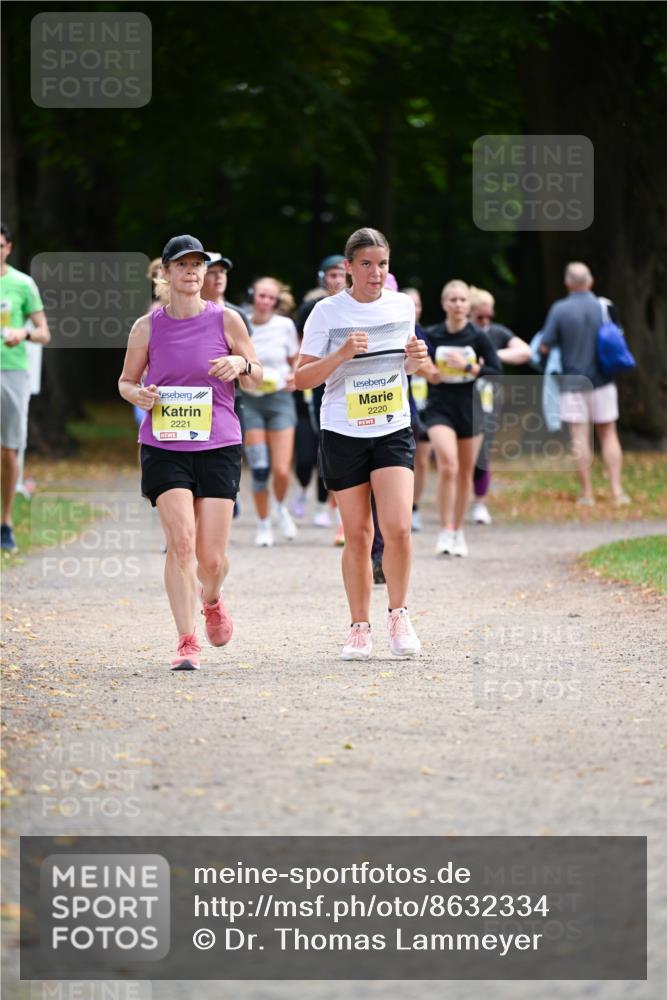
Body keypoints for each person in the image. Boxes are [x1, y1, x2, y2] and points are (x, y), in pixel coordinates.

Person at [118, 234, 262, 670]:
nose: (192, 271)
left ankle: (212, 599)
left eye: (198, 264)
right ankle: (186, 640)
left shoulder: (228, 320)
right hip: (165, 446)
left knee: (211, 559)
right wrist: (138, 395)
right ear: (165, 272)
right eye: (182, 264)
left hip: (218, 444)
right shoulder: (147, 327)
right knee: (180, 543)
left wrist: (241, 364)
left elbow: (258, 377)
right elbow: (126, 382)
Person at [296, 227, 428, 660]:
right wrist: (340, 355)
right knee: (357, 533)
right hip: (343, 430)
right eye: (367, 264)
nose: (376, 272)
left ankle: (399, 615)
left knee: (399, 528)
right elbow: (302, 379)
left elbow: (406, 367)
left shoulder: (401, 305)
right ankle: (359, 627)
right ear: (349, 267)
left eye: (383, 264)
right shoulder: (326, 313)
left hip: (392, 426)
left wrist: (415, 361)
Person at [422, 279, 501, 557]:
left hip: (470, 407)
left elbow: (496, 372)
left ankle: (457, 530)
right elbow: (419, 365)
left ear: (469, 305)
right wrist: (429, 372)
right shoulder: (432, 334)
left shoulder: (478, 336)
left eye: (462, 300)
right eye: (453, 300)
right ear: (444, 304)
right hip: (439, 406)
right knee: (448, 465)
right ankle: (444, 530)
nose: (458, 304)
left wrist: (468, 367)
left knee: (466, 472)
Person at [539, 262, 629, 505]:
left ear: (567, 283)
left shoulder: (560, 309)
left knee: (579, 437)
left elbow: (545, 345)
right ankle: (617, 492)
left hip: (573, 383)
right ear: (590, 281)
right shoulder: (605, 306)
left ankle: (587, 494)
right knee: (608, 433)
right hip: (604, 381)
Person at [0, 222, 51, 552]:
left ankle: (5, 522)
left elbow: (45, 332)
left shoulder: (22, 284)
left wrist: (24, 333)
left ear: (8, 248)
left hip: (11, 371)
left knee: (8, 450)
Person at [243, 276, 300, 546]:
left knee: (281, 470)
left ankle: (279, 506)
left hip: (279, 400)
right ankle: (263, 523)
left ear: (277, 301)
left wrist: (294, 375)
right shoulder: (240, 322)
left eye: (271, 297)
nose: (265, 301)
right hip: (250, 400)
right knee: (260, 468)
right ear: (252, 296)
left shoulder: (285, 326)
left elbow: (296, 359)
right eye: (261, 295)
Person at [468, 286, 532, 525]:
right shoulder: (463, 333)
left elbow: (525, 351)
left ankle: (480, 502)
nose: (485, 321)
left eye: (489, 316)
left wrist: (493, 355)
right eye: (480, 317)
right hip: (462, 398)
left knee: (484, 451)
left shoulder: (497, 333)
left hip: (489, 399)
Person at [293, 255, 347, 528]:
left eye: (340, 274)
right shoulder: (311, 309)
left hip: (345, 385)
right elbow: (299, 349)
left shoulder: (356, 308)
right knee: (308, 452)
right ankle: (303, 487)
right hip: (314, 384)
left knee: (333, 446)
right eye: (332, 275)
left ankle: (327, 504)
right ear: (323, 278)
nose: (337, 280)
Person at [401, 287, 432, 533]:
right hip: (405, 404)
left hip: (427, 405)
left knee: (422, 459)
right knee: (405, 461)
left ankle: (414, 507)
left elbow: (434, 369)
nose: (415, 309)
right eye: (411, 304)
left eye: (418, 304)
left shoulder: (424, 334)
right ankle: (401, 509)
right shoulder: (398, 328)